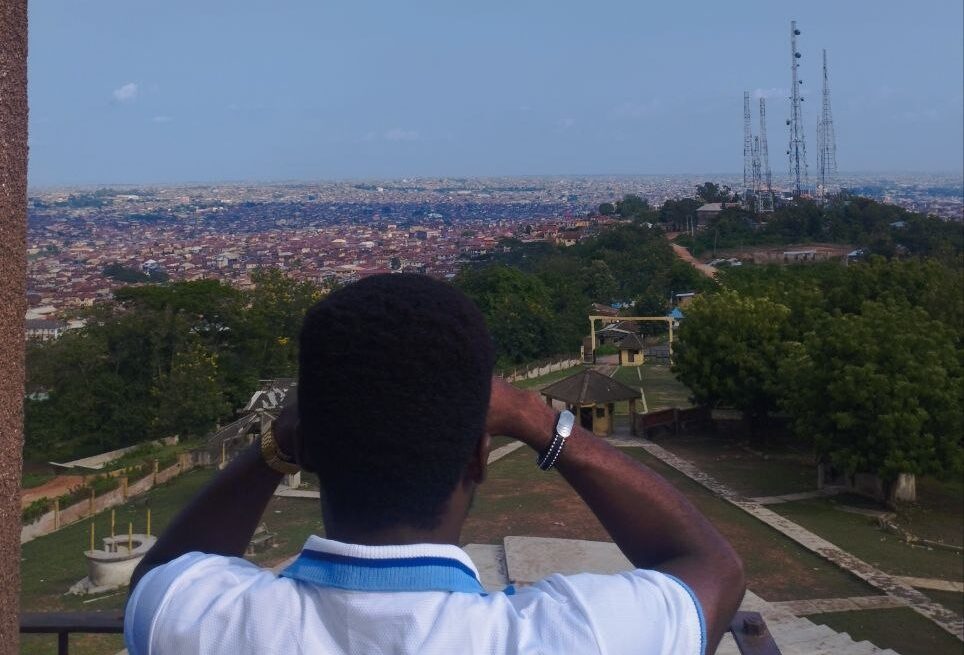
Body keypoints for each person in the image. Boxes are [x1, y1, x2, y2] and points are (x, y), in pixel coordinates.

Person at [125, 273, 744, 655]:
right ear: (478, 455)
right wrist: (534, 416)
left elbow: (165, 573)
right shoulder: (575, 636)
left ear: (307, 448)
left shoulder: (205, 627)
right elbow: (711, 566)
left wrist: (276, 446)